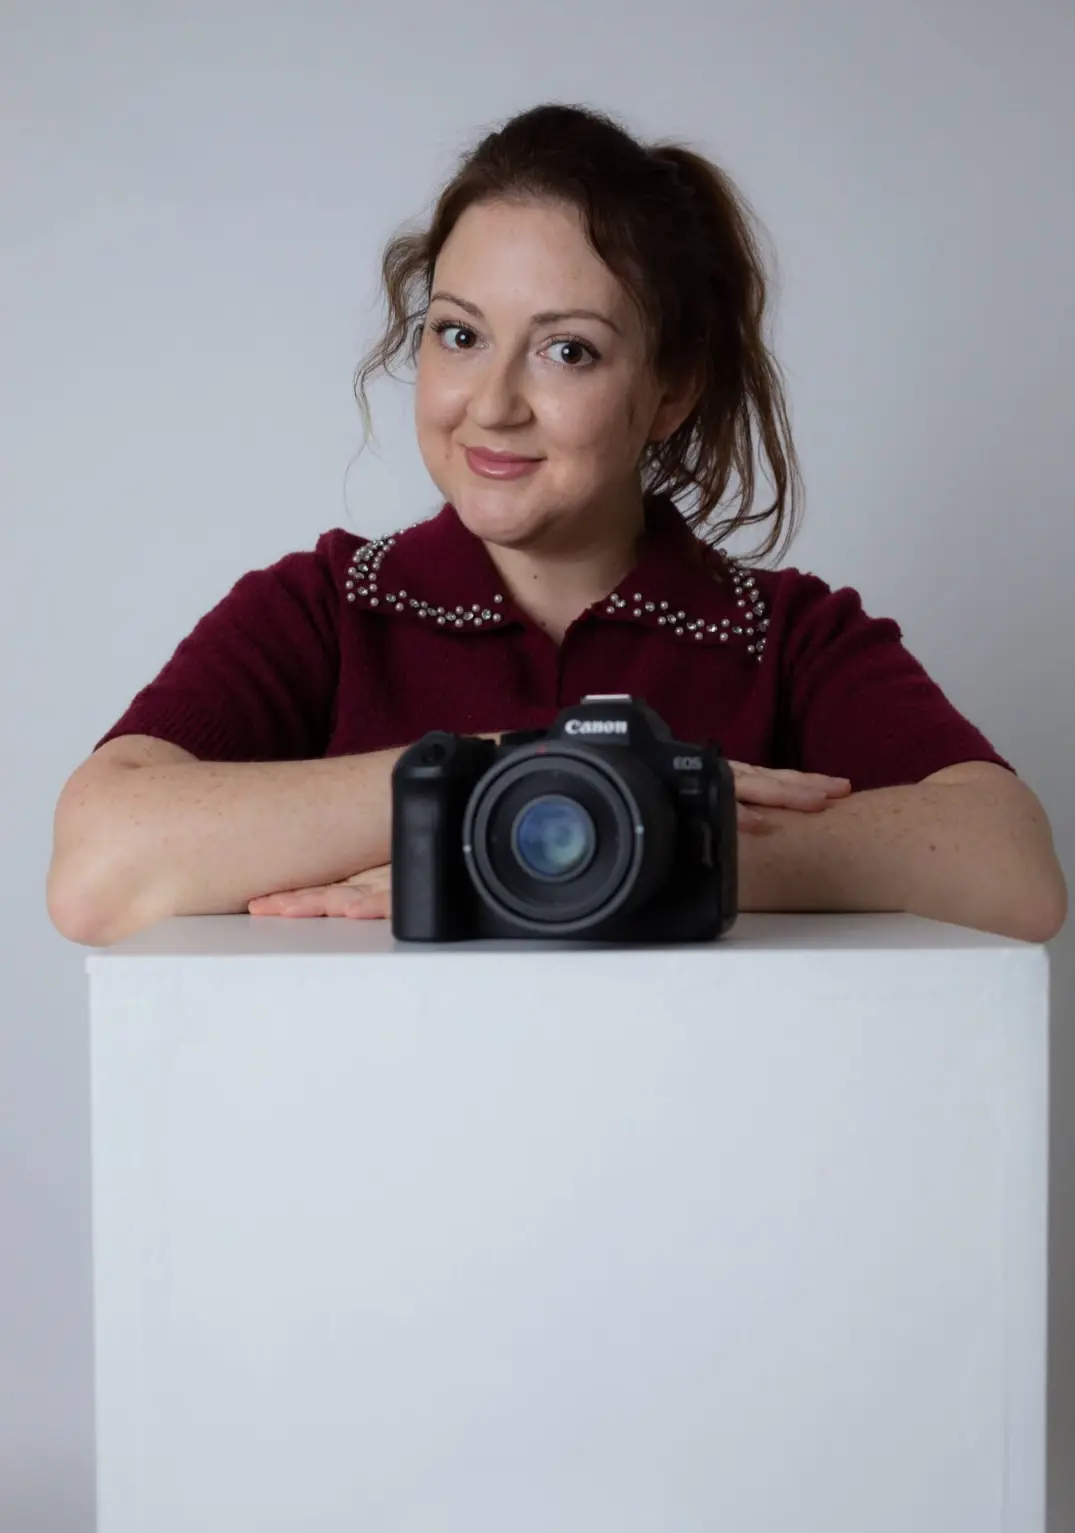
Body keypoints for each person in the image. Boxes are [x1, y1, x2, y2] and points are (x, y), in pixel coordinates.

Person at [47, 103, 1067, 948]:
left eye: (566, 351)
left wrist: (535, 844)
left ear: (670, 390)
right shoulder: (320, 608)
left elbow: (1010, 867)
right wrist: (510, 775)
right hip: (361, 1161)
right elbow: (99, 866)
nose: (491, 404)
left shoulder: (785, 633)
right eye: (459, 333)